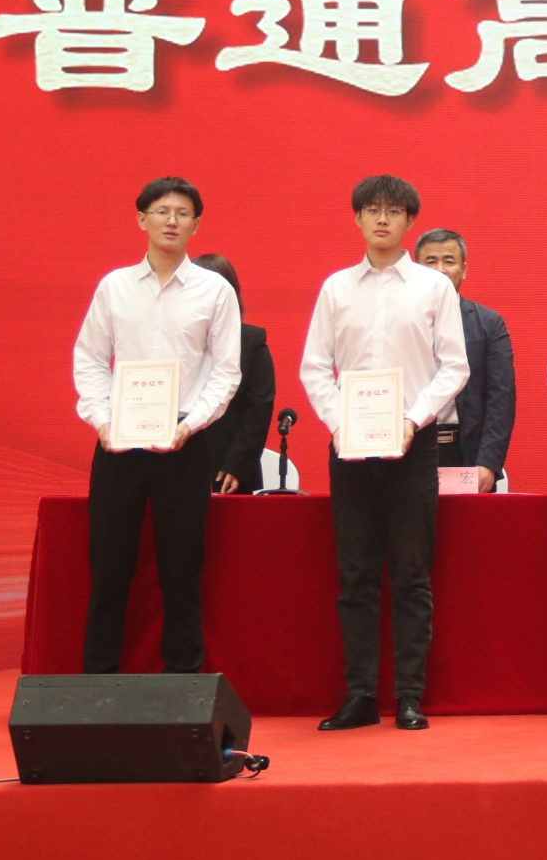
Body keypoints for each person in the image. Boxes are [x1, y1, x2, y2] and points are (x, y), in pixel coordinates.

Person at [302, 175, 469, 732]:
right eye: (371, 210)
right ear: (356, 218)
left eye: (393, 211)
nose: (381, 219)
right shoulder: (336, 288)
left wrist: (411, 420)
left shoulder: (433, 287)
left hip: (412, 444)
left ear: (409, 221)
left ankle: (411, 695)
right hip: (349, 446)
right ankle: (359, 696)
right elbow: (314, 367)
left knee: (412, 574)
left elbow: (454, 367)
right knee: (354, 574)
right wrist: (338, 420)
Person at [73, 177, 241, 675]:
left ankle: (182, 678)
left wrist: (193, 423)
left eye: (183, 213)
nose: (172, 220)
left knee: (181, 568)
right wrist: (102, 419)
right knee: (109, 567)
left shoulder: (214, 290)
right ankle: (98, 679)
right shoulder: (115, 286)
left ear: (196, 225)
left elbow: (226, 370)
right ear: (141, 219)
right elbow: (90, 358)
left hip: (184, 443)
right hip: (118, 443)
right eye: (162, 211)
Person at [414, 229, 516, 493]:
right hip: (411, 449)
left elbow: (501, 398)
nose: (440, 270)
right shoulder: (400, 324)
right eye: (430, 261)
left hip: (466, 452)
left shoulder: (488, 323)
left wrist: (488, 463)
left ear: (464, 269)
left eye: (449, 261)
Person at [193, 254, 275, 496]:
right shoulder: (178, 342)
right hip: (181, 465)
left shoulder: (251, 341)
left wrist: (237, 465)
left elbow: (259, 410)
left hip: (231, 471)